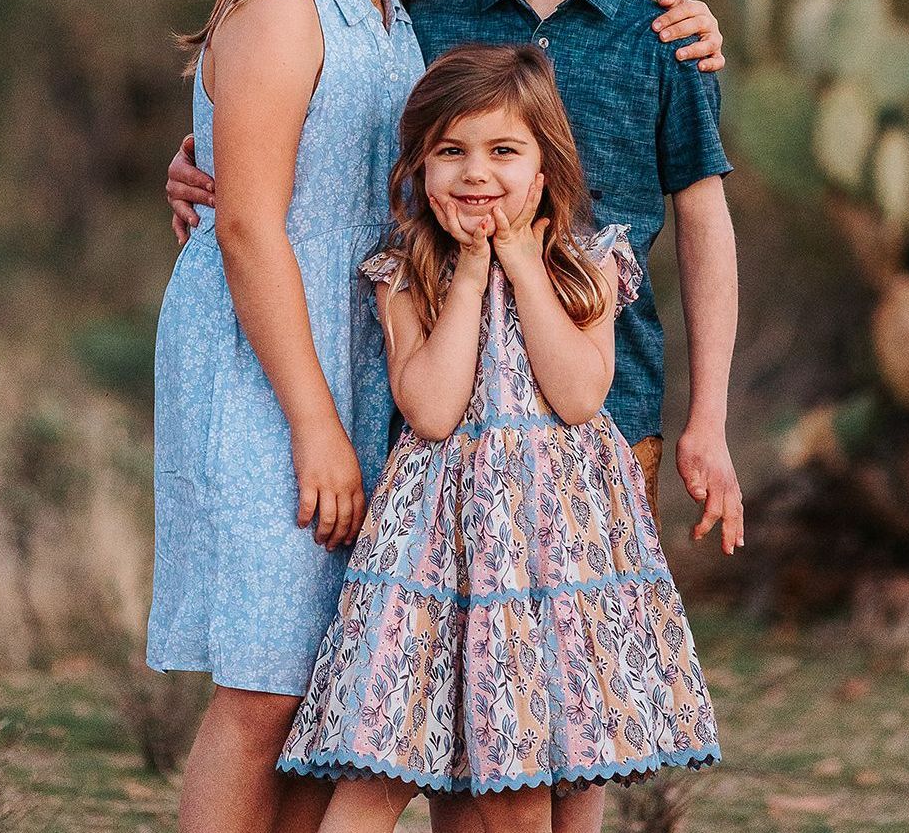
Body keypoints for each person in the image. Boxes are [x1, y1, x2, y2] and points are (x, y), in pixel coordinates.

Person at [147, 0, 481, 833]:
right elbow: (246, 224)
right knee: (262, 689)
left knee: (321, 688)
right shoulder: (286, 3)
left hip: (359, 356)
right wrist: (315, 427)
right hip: (269, 362)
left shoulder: (398, 22)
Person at [278, 44, 721, 832]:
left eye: (503, 151)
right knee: (381, 756)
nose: (476, 172)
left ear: (544, 169)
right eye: (451, 151)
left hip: (554, 557)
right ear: (421, 167)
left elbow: (581, 393)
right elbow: (433, 409)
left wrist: (520, 262)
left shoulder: (588, 265)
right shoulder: (406, 272)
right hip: (439, 552)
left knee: (528, 773)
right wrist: (473, 275)